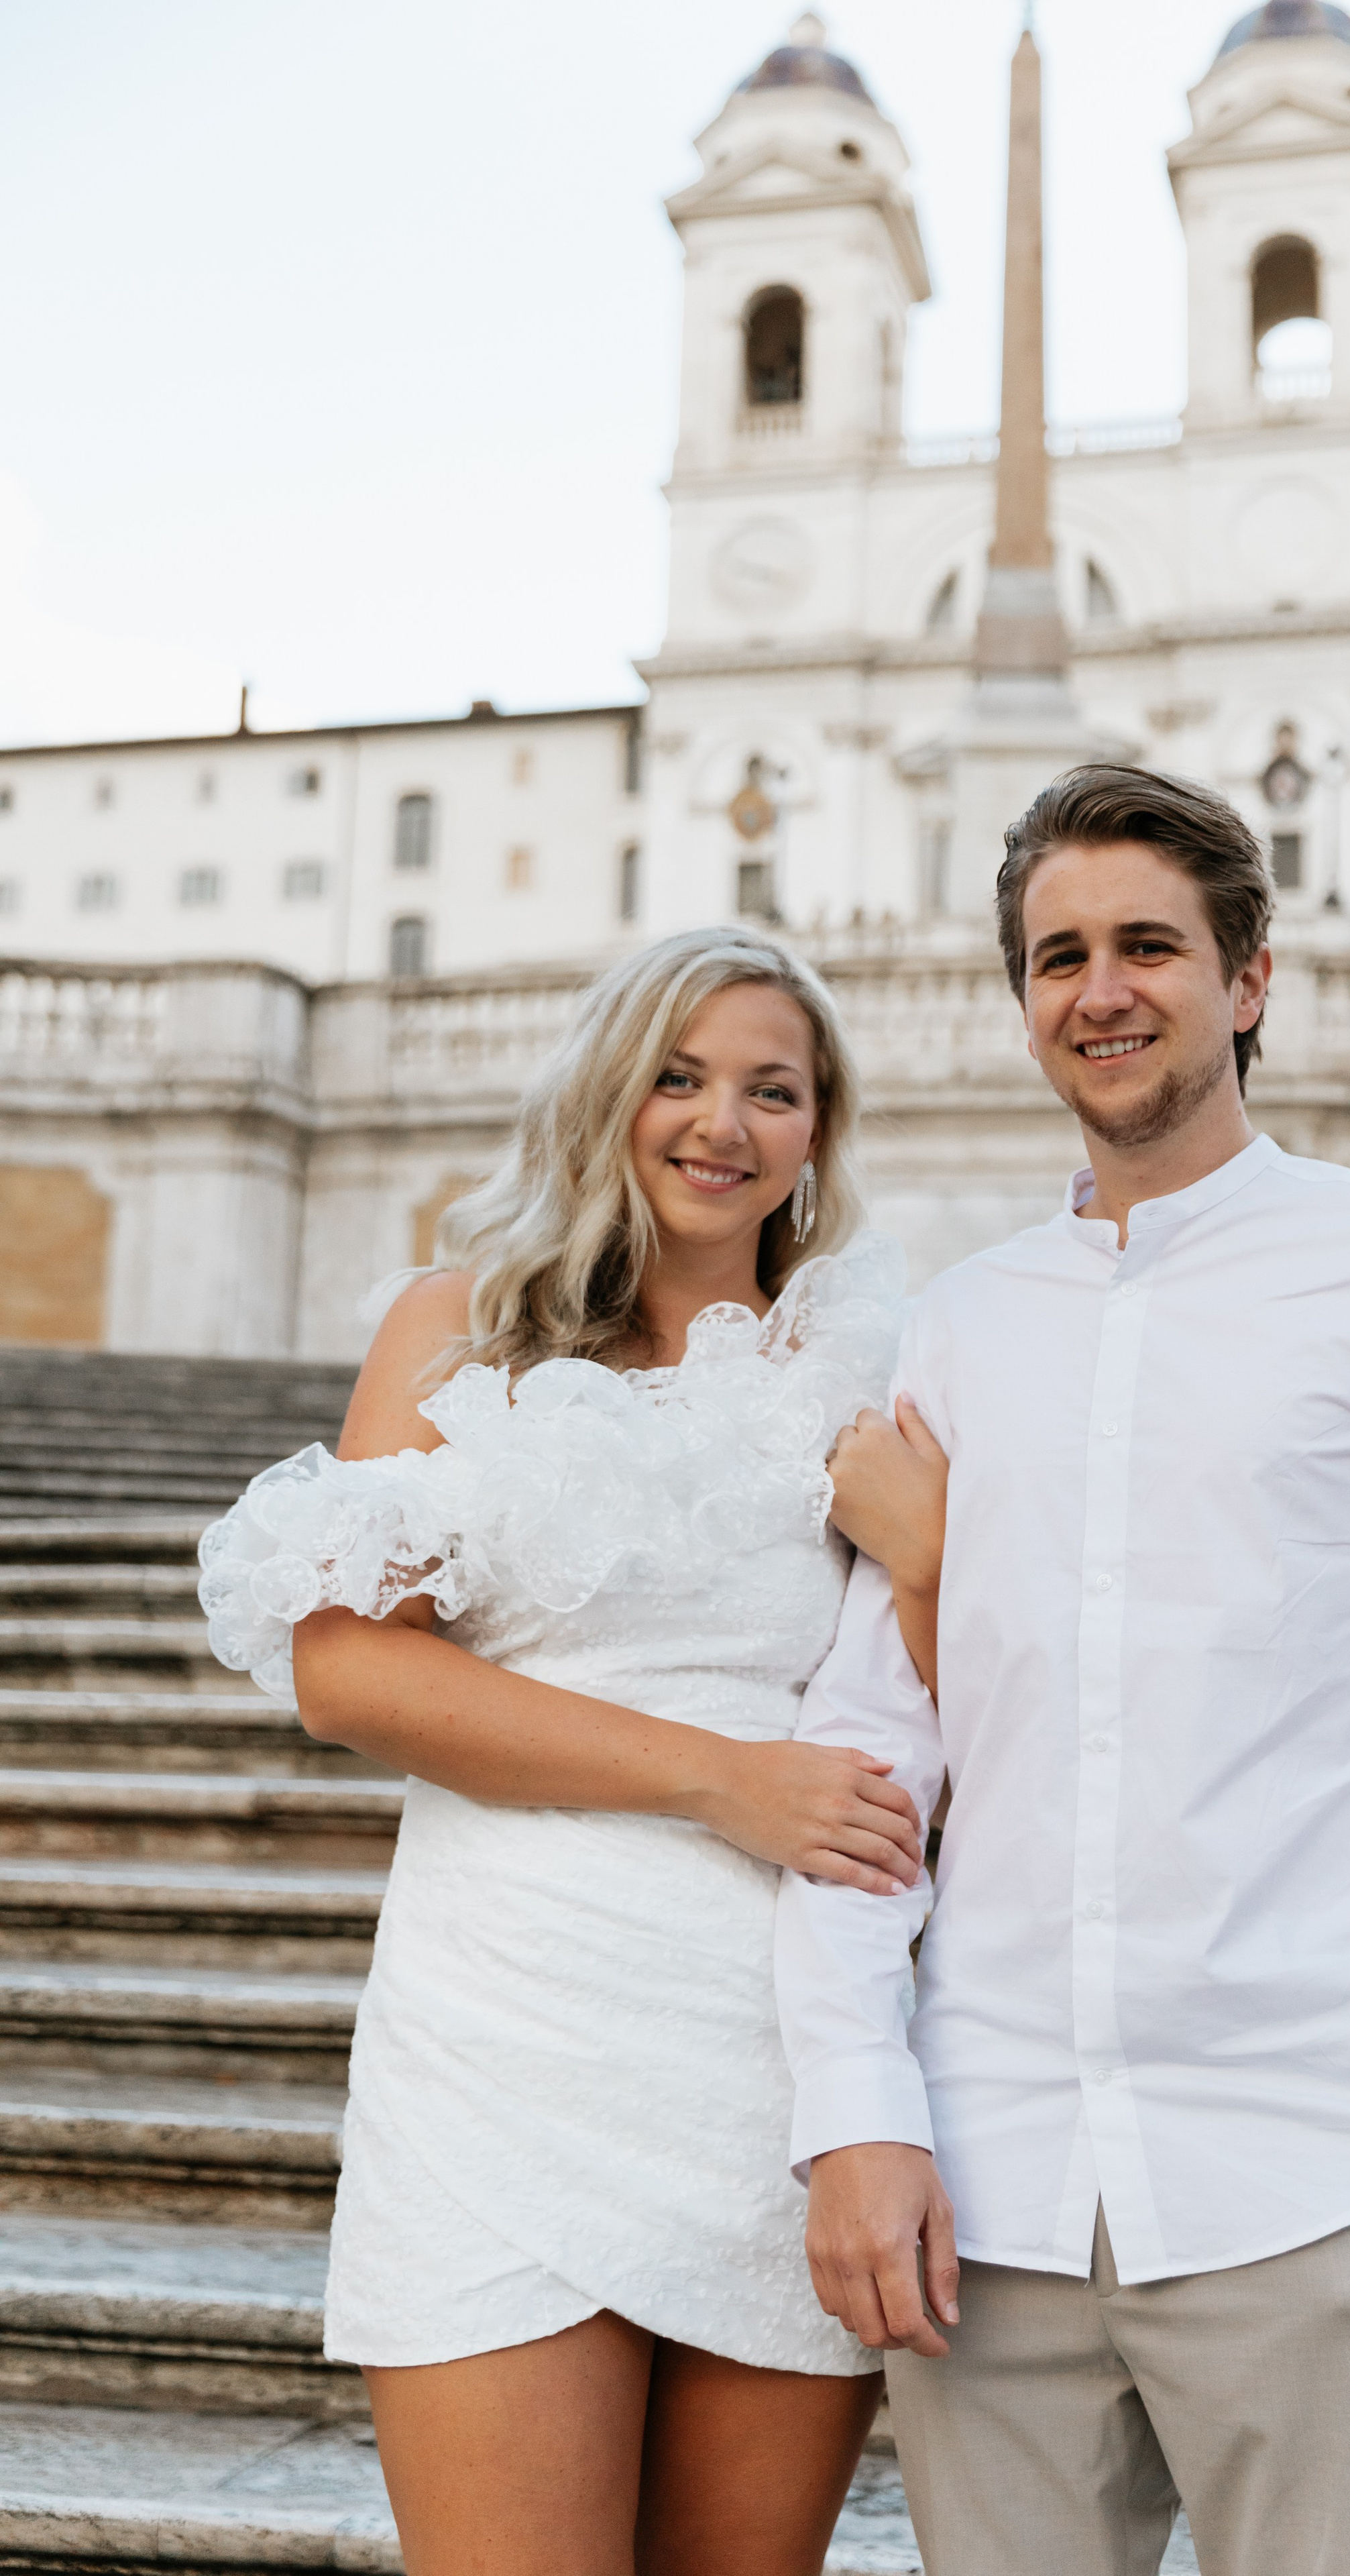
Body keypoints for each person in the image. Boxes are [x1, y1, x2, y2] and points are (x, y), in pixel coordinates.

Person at [776, 765, 1350, 2576]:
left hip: (1325, 2179)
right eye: (1058, 954)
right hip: (985, 2211)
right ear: (1022, 1002)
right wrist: (854, 2107)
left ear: (1248, 977)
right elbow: (863, 1764)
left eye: (1149, 943)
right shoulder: (958, 1325)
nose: (1102, 989)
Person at [198, 926, 943, 2576]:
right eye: (678, 1076)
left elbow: (982, 1678)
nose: (719, 1123)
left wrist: (933, 1551)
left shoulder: (860, 1366)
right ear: (608, 1090)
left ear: (818, 1130)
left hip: (777, 2061)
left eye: (772, 1089)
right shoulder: (461, 1331)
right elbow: (346, 1676)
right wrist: (719, 1777)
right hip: (504, 2044)